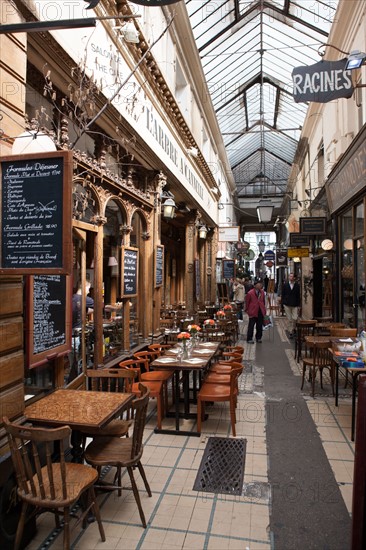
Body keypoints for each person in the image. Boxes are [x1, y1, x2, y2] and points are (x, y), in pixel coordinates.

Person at [245, 278, 266, 343]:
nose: (260, 285)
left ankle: (258, 338)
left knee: (259, 325)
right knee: (251, 325)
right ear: (255, 285)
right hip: (253, 311)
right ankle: (249, 338)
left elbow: (263, 301)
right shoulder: (250, 293)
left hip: (260, 310)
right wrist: (247, 310)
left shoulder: (262, 292)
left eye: (260, 284)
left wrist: (264, 309)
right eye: (258, 284)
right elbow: (247, 302)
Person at [281, 272, 301, 338]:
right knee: (289, 319)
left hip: (295, 304)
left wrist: (299, 305)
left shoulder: (297, 285)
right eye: (290, 276)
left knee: (295, 318)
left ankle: (293, 328)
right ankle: (290, 332)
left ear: (294, 278)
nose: (291, 277)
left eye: (292, 276)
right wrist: (283, 303)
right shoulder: (285, 285)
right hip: (287, 304)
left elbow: (298, 295)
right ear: (289, 277)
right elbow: (282, 294)